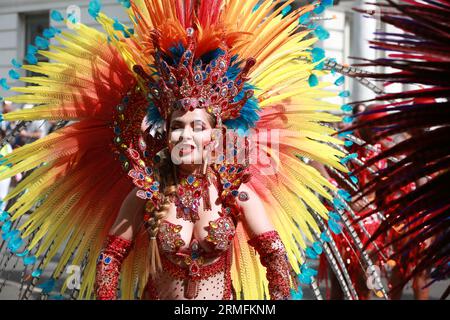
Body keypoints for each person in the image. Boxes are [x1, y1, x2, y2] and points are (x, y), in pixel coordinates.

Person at [0, 0, 366, 300]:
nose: (185, 135)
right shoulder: (146, 192)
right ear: (167, 134)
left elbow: (275, 257)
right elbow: (110, 259)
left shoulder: (233, 192)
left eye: (197, 126)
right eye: (176, 126)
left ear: (214, 135)